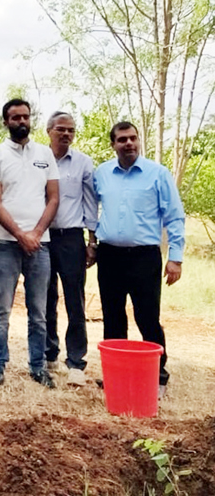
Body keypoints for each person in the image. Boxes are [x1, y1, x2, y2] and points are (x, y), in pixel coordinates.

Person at [93, 121, 184, 398]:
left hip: (144, 257)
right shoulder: (102, 173)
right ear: (113, 144)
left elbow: (174, 216)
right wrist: (91, 243)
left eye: (132, 138)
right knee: (112, 317)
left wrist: (175, 258)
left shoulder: (157, 174)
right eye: (122, 139)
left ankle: (157, 377)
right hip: (109, 255)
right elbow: (90, 208)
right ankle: (116, 375)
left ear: (138, 141)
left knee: (147, 316)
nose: (128, 143)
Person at [0, 98, 59, 388]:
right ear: (5, 121)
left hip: (41, 245)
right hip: (7, 244)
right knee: (2, 308)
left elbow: (53, 197)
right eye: (15, 117)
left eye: (25, 116)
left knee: (39, 311)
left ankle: (38, 365)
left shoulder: (45, 154)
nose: (21, 121)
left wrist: (36, 234)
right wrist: (20, 235)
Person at [43, 111, 96, 387]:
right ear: (49, 131)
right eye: (61, 129)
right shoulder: (38, 159)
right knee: (45, 297)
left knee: (75, 300)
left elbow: (90, 203)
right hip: (42, 237)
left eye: (71, 130)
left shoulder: (83, 163)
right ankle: (48, 353)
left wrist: (91, 241)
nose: (66, 134)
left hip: (72, 238)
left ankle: (76, 361)